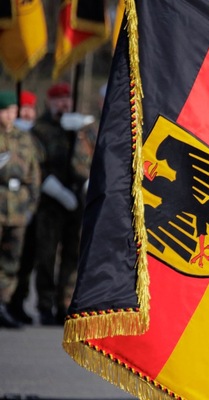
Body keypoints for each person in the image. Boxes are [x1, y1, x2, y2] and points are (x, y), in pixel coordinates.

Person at [29, 83, 93, 325]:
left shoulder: (81, 130)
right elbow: (36, 164)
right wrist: (56, 190)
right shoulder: (41, 129)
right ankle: (44, 304)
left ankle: (64, 303)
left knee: (73, 254)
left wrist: (79, 133)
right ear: (49, 101)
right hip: (51, 203)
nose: (64, 103)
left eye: (67, 99)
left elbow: (91, 158)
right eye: (59, 99)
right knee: (46, 255)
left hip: (78, 202)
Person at [0, 91, 41, 329]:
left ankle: (3, 305)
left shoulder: (24, 138)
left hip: (17, 212)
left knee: (11, 262)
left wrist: (30, 207)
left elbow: (34, 174)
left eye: (13, 111)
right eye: (6, 111)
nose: (11, 115)